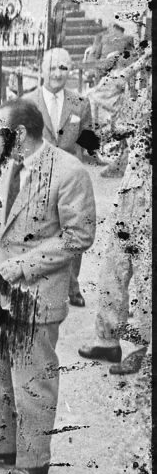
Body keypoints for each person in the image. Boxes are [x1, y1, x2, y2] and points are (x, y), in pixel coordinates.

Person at [0, 98, 96, 474]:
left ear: (19, 133)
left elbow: (78, 237)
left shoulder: (69, 172)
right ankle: (1, 446)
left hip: (37, 293)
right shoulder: (6, 165)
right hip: (0, 287)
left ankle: (34, 458)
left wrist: (18, 267)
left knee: (32, 378)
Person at [78, 60, 151, 376]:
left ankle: (148, 351)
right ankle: (108, 338)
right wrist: (135, 68)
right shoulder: (142, 85)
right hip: (133, 187)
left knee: (147, 271)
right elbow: (102, 98)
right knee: (115, 263)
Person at [31, 47, 97, 308]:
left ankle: (72, 284)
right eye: (52, 67)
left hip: (71, 179)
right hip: (38, 178)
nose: (57, 73)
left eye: (63, 68)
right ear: (41, 70)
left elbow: (89, 140)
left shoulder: (80, 103)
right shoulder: (28, 102)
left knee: (74, 230)